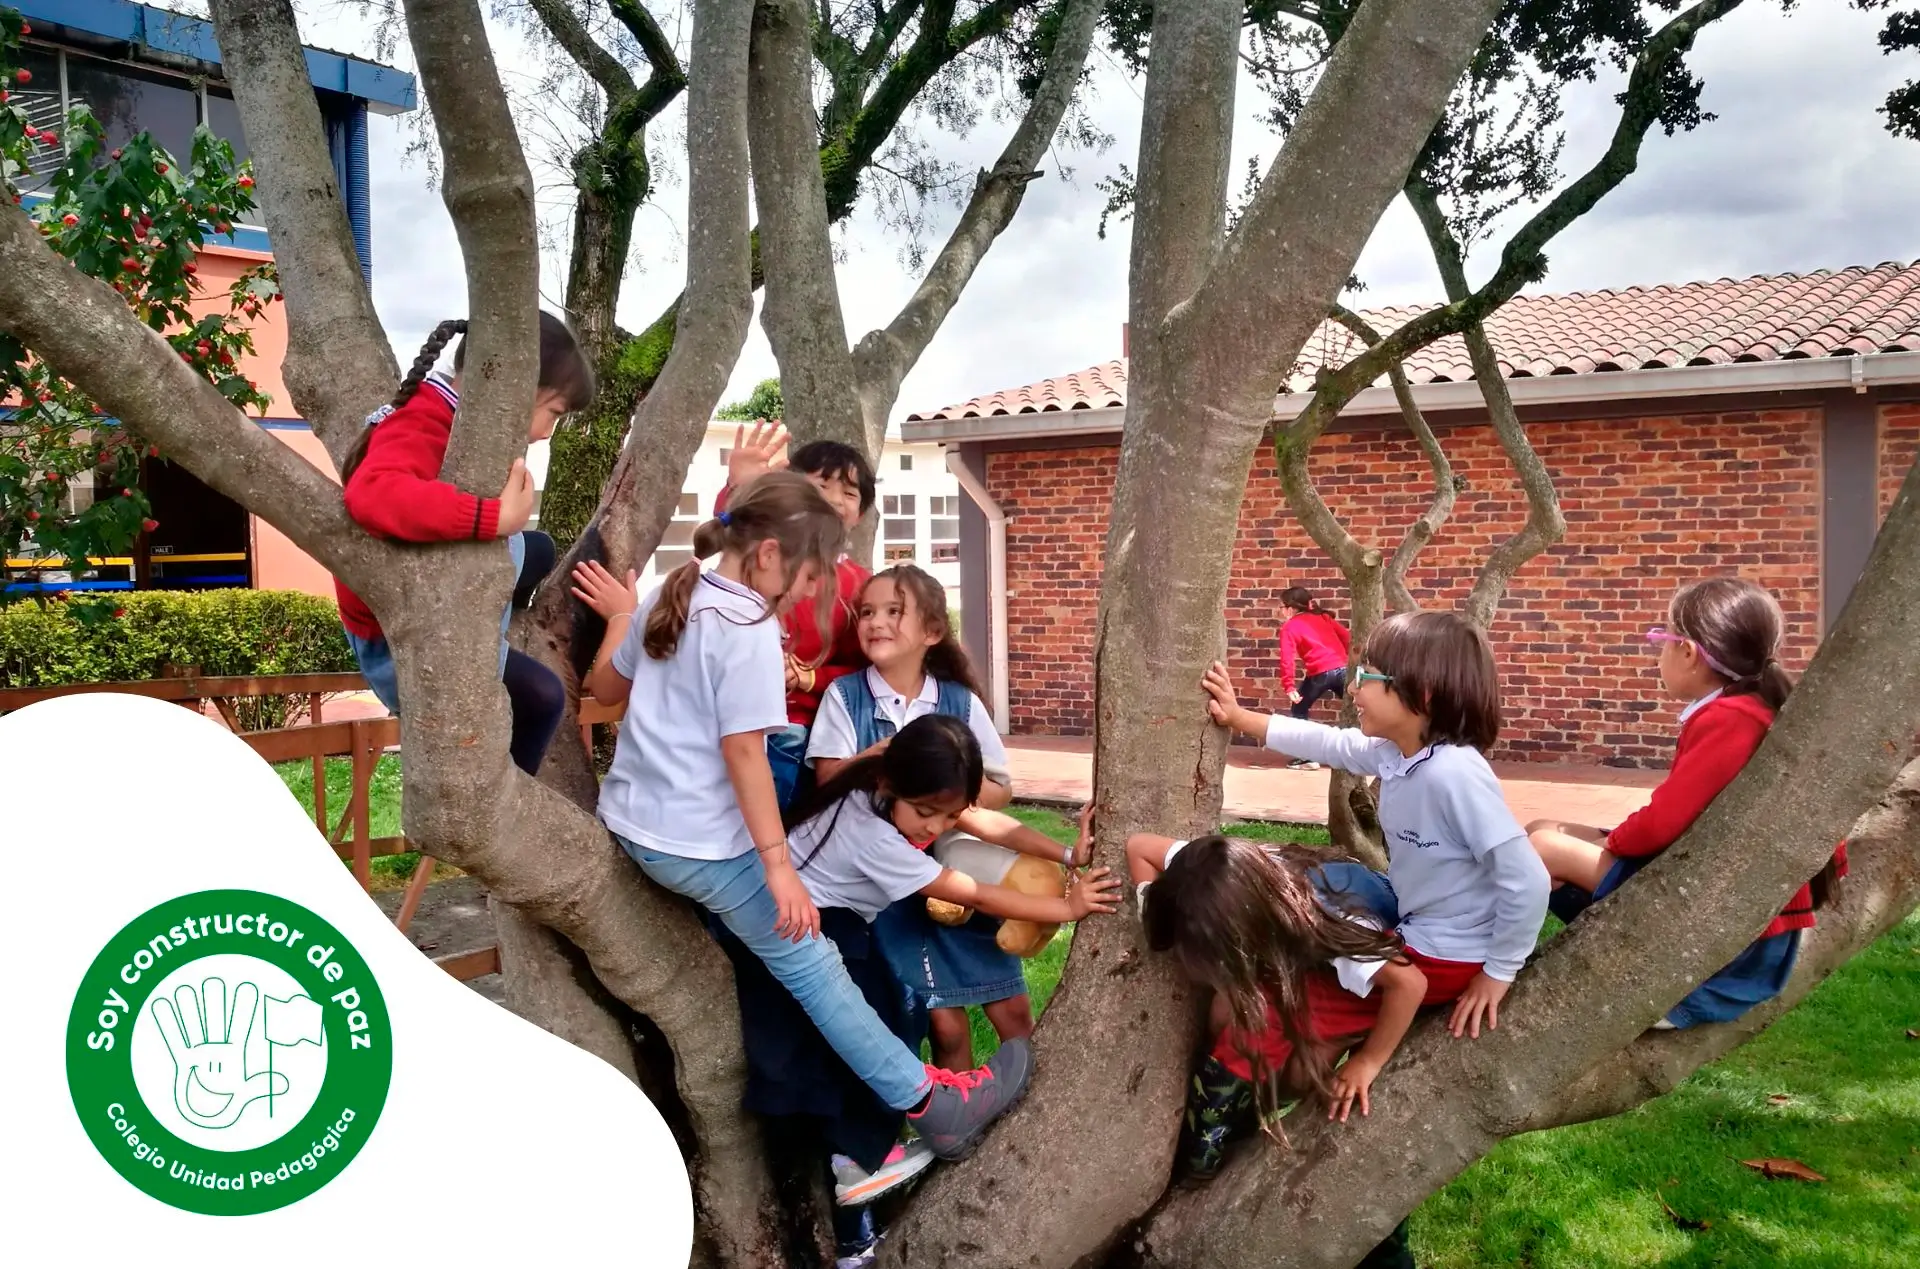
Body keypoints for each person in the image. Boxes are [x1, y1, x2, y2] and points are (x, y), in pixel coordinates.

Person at [569, 473, 1031, 1173]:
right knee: (815, 966)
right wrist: (780, 870)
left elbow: (605, 688)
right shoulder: (748, 629)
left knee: (791, 966)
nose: (813, 594)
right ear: (767, 557)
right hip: (700, 847)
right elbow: (746, 754)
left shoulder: (675, 587)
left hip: (631, 819)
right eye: (811, 575)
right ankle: (929, 1103)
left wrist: (619, 618)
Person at [720, 714, 1119, 1268]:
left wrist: (1068, 856)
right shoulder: (872, 832)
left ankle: (862, 1173)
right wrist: (1067, 908)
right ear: (892, 788)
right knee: (859, 1039)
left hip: (824, 921)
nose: (935, 826)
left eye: (947, 814)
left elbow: (984, 823)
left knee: (888, 1023)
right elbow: (974, 891)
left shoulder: (883, 777)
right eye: (925, 813)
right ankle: (858, 1163)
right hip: (807, 928)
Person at [1202, 610, 1551, 1042]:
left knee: (1289, 994)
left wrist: (1499, 972)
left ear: (1420, 694)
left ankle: (1247, 1083)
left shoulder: (1455, 774)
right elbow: (1329, 743)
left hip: (1447, 955)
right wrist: (1240, 718)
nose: (1352, 687)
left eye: (1367, 675)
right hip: (1418, 924)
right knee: (1309, 907)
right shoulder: (1399, 751)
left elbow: (1529, 880)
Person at [1526, 577, 1847, 1029]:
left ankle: (1479, 963)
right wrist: (1605, 838)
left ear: (1689, 653)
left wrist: (1611, 840)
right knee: (1542, 826)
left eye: (1662, 640)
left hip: (1725, 947)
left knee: (1543, 848)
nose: (1657, 653)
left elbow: (1662, 824)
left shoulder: (1729, 719)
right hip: (1723, 898)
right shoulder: (1752, 707)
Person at [810, 566, 1067, 1071]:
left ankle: (1029, 1107)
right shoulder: (846, 696)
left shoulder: (958, 701)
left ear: (931, 632)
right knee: (943, 1022)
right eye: (866, 612)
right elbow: (827, 780)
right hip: (889, 884)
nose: (875, 622)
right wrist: (881, 758)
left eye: (893, 612)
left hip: (956, 862)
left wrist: (949, 807)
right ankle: (960, 1121)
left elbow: (1000, 786)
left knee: (1010, 1006)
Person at [1128, 831, 1425, 1269]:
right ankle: (1232, 1119)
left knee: (1319, 1082)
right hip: (1301, 946)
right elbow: (1139, 847)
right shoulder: (1206, 874)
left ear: (1252, 934)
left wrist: (1369, 1060)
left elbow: (1409, 983)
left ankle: (1388, 1253)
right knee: (1230, 1017)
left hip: (1365, 972)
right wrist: (1149, 904)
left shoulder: (1334, 926)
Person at [335, 313, 594, 776]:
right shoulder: (426, 423)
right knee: (543, 697)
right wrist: (490, 518)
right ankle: (509, 791)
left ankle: (492, 614)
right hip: (398, 647)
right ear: (514, 387)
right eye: (552, 413)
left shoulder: (447, 414)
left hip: (431, 598)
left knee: (539, 548)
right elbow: (370, 494)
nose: (547, 431)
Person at [719, 421, 877, 808]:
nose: (835, 499)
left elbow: (867, 667)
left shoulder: (860, 585)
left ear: (861, 513)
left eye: (849, 492)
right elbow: (726, 537)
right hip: (725, 717)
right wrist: (740, 488)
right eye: (821, 485)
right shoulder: (761, 557)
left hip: (796, 729)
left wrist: (811, 677)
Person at [1276, 587, 1352, 770]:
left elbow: (1287, 659)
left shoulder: (1289, 626)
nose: (1280, 610)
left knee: (1299, 709)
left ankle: (1306, 757)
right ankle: (1360, 752)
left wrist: (1289, 686)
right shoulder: (1323, 617)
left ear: (1291, 608)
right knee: (1355, 708)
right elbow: (1347, 638)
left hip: (1320, 673)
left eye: (1282, 606)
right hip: (1342, 668)